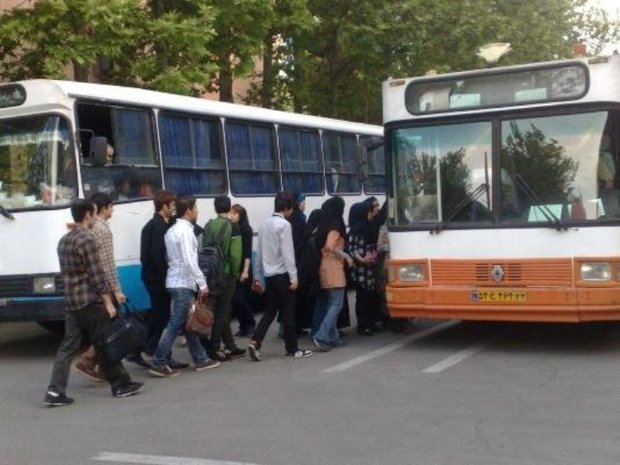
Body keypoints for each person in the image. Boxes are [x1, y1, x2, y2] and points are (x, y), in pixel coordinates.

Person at [43, 199, 144, 406]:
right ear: (88, 215)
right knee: (105, 340)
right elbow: (96, 275)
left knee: (68, 346)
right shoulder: (87, 240)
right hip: (89, 300)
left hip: (72, 300)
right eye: (93, 214)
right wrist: (108, 301)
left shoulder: (64, 240)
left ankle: (55, 391)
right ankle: (120, 384)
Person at [148, 195, 220, 377]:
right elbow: (189, 260)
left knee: (189, 322)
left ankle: (201, 358)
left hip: (174, 281)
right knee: (176, 324)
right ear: (188, 210)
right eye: (195, 208)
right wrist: (202, 284)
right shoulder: (186, 232)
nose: (197, 211)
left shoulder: (172, 230)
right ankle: (158, 361)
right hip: (183, 283)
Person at [73, 192, 136, 382]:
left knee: (104, 328)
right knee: (110, 330)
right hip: (105, 288)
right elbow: (106, 264)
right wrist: (116, 290)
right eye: (111, 206)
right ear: (104, 208)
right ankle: (91, 361)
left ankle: (100, 366)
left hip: (90, 288)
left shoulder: (90, 230)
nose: (113, 210)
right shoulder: (103, 230)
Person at [247, 191, 313, 361]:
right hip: (283, 275)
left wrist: (257, 276)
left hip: (269, 276)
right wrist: (294, 277)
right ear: (287, 207)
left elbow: (259, 253)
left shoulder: (264, 225)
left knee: (270, 311)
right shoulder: (284, 225)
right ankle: (292, 349)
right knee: (288, 313)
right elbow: (288, 254)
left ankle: (256, 341)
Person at [139, 189, 188, 369]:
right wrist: (168, 278)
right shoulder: (158, 227)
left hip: (153, 278)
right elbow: (158, 256)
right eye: (172, 206)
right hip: (158, 280)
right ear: (164, 207)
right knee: (162, 317)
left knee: (159, 316)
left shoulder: (157, 224)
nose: (174, 209)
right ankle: (150, 350)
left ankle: (157, 352)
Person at [201, 196, 245, 361]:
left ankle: (231, 346)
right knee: (222, 311)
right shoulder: (233, 227)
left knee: (217, 309)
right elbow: (235, 255)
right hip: (226, 273)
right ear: (229, 208)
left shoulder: (209, 225)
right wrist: (235, 272)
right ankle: (214, 347)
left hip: (209, 273)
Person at [311, 196, 353, 351]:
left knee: (331, 304)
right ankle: (322, 335)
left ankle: (333, 337)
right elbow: (330, 245)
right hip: (333, 267)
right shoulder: (335, 226)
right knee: (336, 304)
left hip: (324, 266)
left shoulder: (323, 225)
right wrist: (346, 256)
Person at [348, 197, 381, 336]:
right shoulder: (356, 229)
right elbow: (352, 248)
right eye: (368, 213)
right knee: (362, 297)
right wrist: (362, 259)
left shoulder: (369, 226)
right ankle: (363, 325)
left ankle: (370, 323)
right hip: (361, 268)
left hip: (370, 267)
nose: (370, 215)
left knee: (369, 296)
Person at [230, 203, 256, 337]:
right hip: (235, 269)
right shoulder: (232, 228)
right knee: (235, 299)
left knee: (238, 298)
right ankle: (244, 325)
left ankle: (249, 323)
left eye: (234, 214)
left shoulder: (246, 230)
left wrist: (245, 271)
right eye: (230, 213)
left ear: (241, 215)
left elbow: (247, 252)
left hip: (244, 269)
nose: (231, 216)